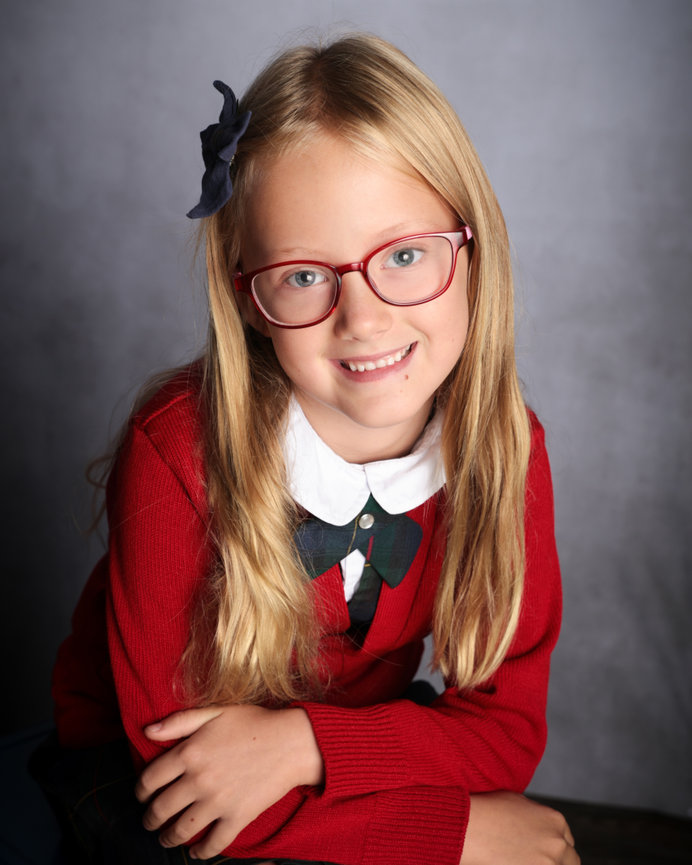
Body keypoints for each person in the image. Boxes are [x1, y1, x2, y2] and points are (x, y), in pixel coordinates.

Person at [34, 33, 579, 865]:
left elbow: (505, 733)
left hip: (333, 749)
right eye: (303, 275)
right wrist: (453, 833)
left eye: (405, 255)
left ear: (472, 249)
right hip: (142, 776)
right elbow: (188, 786)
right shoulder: (176, 450)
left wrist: (304, 745)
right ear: (247, 297)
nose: (364, 319)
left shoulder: (507, 449)